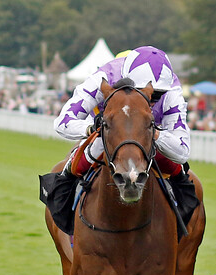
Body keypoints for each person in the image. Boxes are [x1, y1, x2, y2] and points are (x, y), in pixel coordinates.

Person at [54, 46, 190, 182]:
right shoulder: (103, 77)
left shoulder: (172, 92)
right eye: (142, 94)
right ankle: (64, 183)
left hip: (149, 129)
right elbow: (62, 122)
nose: (151, 101)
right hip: (105, 123)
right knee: (97, 146)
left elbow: (182, 151)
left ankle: (185, 196)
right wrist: (92, 128)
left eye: (157, 95)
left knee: (179, 172)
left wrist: (153, 133)